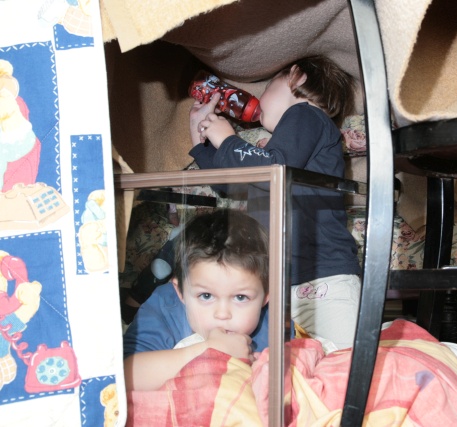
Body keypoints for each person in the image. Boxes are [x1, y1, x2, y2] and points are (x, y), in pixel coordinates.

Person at [189, 55, 362, 351]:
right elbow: (225, 184)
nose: (259, 102)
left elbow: (274, 167)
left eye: (268, 87)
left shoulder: (308, 114)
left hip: (323, 278)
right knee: (273, 364)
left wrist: (228, 139)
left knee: (346, 361)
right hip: (276, 284)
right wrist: (199, 135)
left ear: (296, 76)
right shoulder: (275, 150)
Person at [122, 209, 270, 391]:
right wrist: (209, 351)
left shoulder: (273, 322)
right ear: (181, 292)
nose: (222, 314)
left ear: (267, 295)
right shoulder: (164, 307)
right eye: (206, 296)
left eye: (240, 297)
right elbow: (126, 377)